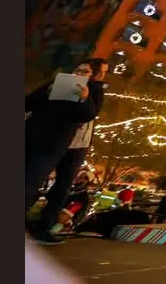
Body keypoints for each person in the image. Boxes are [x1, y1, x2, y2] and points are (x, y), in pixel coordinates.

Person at [25, 59, 108, 244]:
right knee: (32, 180)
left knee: (61, 187)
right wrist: (48, 91)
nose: (102, 74)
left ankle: (44, 227)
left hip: (75, 145)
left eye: (104, 71)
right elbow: (30, 103)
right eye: (79, 70)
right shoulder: (57, 84)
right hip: (48, 140)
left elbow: (89, 114)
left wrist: (84, 98)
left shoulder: (95, 90)